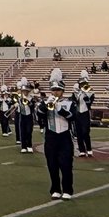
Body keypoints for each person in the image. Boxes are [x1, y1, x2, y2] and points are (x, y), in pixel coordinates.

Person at [42, 68, 76, 200]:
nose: (56, 92)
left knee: (66, 164)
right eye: (54, 90)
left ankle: (67, 189)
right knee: (52, 164)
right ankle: (55, 189)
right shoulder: (45, 103)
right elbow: (38, 115)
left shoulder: (69, 103)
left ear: (63, 91)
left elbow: (72, 117)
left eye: (58, 90)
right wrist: (46, 105)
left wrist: (59, 108)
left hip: (64, 137)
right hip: (50, 137)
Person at [72, 70, 95, 158]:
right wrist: (77, 94)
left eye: (84, 83)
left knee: (86, 132)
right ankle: (81, 150)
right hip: (78, 114)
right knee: (79, 133)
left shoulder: (91, 93)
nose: (83, 85)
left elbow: (89, 103)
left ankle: (89, 149)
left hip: (85, 113)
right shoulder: (76, 93)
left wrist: (85, 94)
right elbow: (74, 102)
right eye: (81, 84)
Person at [16, 79, 36, 154]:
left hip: (29, 116)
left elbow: (32, 107)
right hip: (22, 116)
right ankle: (23, 147)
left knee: (29, 131)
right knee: (23, 131)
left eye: (26, 91)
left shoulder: (31, 98)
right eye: (23, 91)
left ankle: (29, 146)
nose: (24, 92)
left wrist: (28, 102)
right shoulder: (19, 98)